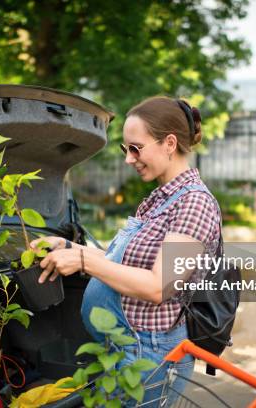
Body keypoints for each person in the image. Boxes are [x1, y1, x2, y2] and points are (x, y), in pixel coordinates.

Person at [30, 96, 221, 407]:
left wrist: (82, 261)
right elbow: (122, 264)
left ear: (169, 143)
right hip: (125, 346)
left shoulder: (194, 203)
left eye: (136, 148)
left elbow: (158, 286)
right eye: (125, 150)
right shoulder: (161, 199)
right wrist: (70, 247)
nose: (129, 159)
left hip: (151, 356)